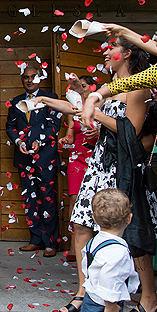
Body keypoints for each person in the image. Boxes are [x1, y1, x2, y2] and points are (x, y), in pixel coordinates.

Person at [80, 20, 157, 311]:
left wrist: (96, 111)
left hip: (133, 164)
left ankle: (154, 295)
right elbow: (118, 86)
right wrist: (93, 97)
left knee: (144, 231)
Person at [59, 36, 157, 312]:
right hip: (100, 163)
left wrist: (96, 114)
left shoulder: (139, 87)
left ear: (129, 53)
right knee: (82, 226)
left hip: (124, 167)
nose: (106, 53)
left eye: (112, 48)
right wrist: (88, 109)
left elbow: (131, 131)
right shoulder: (107, 89)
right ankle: (84, 292)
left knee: (132, 232)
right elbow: (95, 116)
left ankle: (149, 298)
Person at [5, 65, 61, 257]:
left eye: (33, 77)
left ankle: (51, 242)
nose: (29, 80)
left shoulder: (51, 98)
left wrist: (40, 141)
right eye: (26, 77)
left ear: (40, 78)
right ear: (22, 79)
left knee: (48, 200)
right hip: (24, 158)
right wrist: (19, 141)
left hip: (46, 158)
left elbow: (55, 125)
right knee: (30, 200)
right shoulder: (15, 102)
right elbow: (10, 126)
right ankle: (35, 240)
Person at [56, 76, 99, 261]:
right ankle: (74, 247)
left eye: (84, 86)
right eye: (78, 87)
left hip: (95, 156)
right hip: (77, 157)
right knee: (74, 199)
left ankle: (94, 244)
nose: (81, 90)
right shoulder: (73, 110)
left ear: (91, 88)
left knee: (95, 200)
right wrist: (66, 140)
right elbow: (71, 134)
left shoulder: (98, 107)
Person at [80, 189, 139, 312]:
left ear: (94, 219)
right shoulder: (118, 251)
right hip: (104, 305)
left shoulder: (94, 241)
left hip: (91, 298)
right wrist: (111, 306)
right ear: (129, 219)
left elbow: (86, 266)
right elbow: (109, 279)